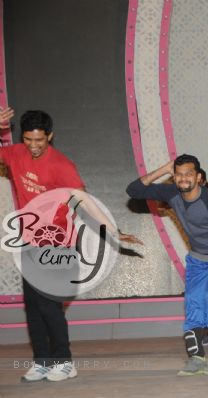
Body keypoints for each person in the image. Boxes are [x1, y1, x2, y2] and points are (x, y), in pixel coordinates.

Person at [0, 108, 139, 382]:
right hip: (29, 243)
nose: (34, 146)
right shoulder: (15, 154)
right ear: (22, 137)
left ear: (50, 136)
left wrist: (112, 229)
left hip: (58, 245)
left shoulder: (61, 165)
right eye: (29, 140)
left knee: (49, 305)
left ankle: (64, 361)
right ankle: (42, 361)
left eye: (40, 140)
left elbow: (83, 200)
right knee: (33, 305)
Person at [126, 154, 208, 376]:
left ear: (198, 177)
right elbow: (134, 190)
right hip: (197, 259)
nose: (183, 178)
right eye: (178, 174)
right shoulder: (172, 193)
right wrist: (163, 169)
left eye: (189, 174)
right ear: (174, 177)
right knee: (193, 302)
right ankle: (196, 358)